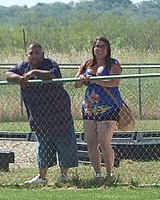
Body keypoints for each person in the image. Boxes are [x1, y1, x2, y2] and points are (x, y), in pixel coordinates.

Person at [7, 43, 77, 185]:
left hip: (59, 115)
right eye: (31, 53)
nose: (34, 55)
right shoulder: (22, 67)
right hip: (39, 118)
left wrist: (34, 73)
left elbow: (52, 75)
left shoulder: (50, 64)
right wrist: (19, 79)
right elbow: (7, 74)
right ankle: (42, 177)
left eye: (37, 53)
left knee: (65, 146)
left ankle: (64, 176)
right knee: (43, 148)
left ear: (43, 54)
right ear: (27, 55)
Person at [74, 36, 123, 181]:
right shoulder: (87, 64)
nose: (99, 49)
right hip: (90, 107)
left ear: (108, 49)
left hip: (109, 107)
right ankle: (98, 174)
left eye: (103, 46)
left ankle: (110, 173)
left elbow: (114, 82)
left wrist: (97, 80)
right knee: (91, 141)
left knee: (104, 142)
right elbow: (75, 84)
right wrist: (82, 79)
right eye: (97, 46)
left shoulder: (113, 64)